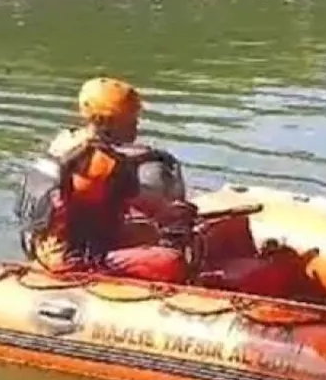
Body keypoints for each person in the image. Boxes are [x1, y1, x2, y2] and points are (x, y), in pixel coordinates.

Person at [15, 77, 194, 283]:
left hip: (42, 244)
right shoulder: (102, 163)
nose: (137, 125)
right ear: (104, 121)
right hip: (72, 258)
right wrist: (178, 217)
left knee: (146, 232)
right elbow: (149, 206)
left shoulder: (66, 142)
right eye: (130, 119)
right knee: (171, 260)